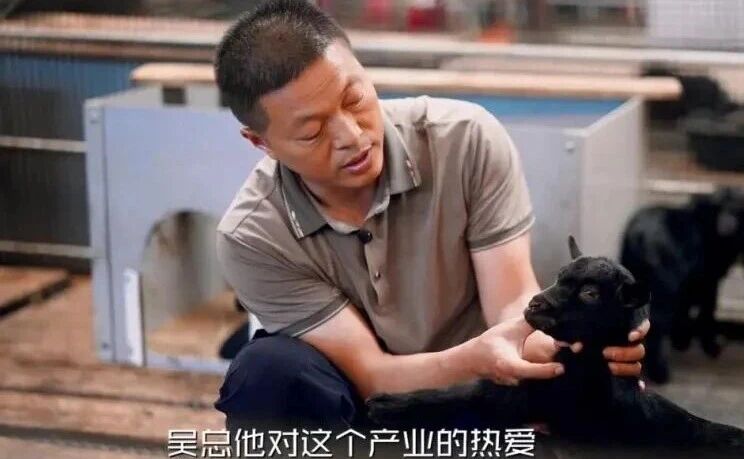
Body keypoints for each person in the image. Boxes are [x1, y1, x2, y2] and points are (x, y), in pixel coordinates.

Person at [211, 0, 648, 432]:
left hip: (475, 400)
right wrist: (476, 358)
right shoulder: (254, 235)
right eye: (313, 132)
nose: (352, 136)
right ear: (261, 143)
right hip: (360, 409)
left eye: (354, 98)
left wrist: (553, 343)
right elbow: (371, 373)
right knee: (266, 373)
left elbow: (511, 302)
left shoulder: (465, 140)